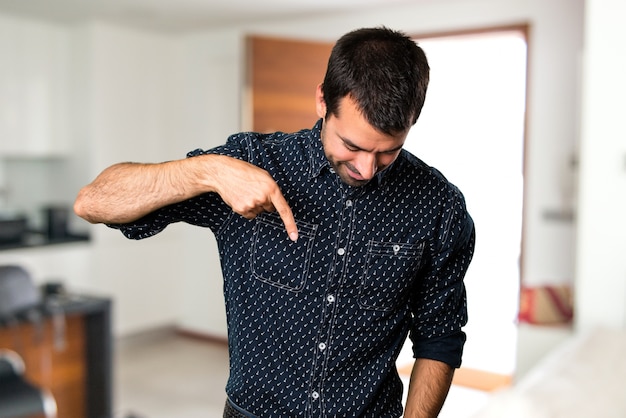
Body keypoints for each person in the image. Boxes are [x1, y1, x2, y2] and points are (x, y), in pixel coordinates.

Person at [74, 26, 475, 418]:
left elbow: (439, 337)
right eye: (351, 146)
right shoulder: (251, 162)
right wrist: (207, 171)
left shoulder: (439, 205)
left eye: (388, 151)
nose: (368, 169)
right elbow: (93, 202)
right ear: (322, 101)